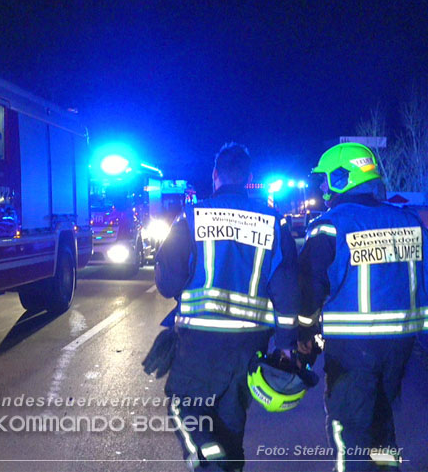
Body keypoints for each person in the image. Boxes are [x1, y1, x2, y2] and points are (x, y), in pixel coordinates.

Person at [151, 142, 301, 471]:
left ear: (215, 175)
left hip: (199, 341)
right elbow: (288, 288)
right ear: (249, 178)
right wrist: (287, 346)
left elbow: (167, 283)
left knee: (184, 407)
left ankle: (208, 455)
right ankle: (223, 461)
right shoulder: (274, 222)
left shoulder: (192, 216)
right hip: (251, 345)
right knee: (232, 422)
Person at [299, 142, 426, 471]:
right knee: (382, 426)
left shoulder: (331, 225)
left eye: (325, 181)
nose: (323, 190)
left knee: (350, 432)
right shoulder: (410, 222)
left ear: (343, 177)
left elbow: (310, 287)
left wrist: (303, 332)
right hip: (402, 347)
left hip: (353, 350)